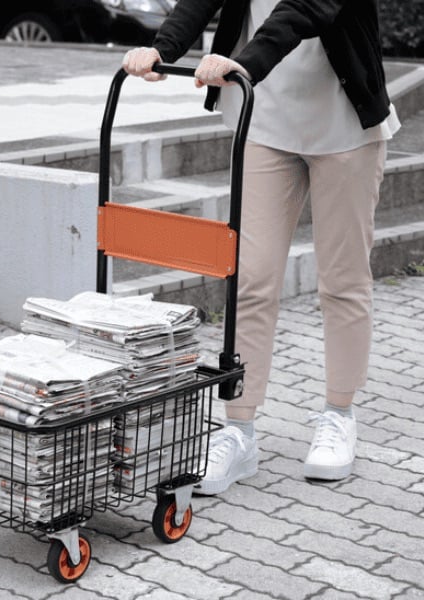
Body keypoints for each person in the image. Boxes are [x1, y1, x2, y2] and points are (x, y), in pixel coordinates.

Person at [122, 0, 400, 494]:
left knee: (343, 281)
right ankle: (239, 429)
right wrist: (163, 48)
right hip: (266, 120)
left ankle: (339, 414)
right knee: (250, 279)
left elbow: (308, 7)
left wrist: (244, 62)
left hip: (345, 127)